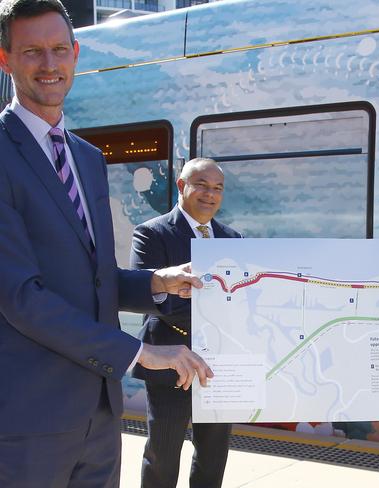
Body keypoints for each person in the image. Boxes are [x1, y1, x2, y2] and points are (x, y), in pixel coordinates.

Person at [0, 0, 213, 486]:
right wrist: (139, 354)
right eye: (32, 51)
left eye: (59, 49)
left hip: (99, 415)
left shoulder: (87, 157)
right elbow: (20, 297)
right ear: (5, 59)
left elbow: (90, 278)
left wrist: (158, 282)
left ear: (76, 54)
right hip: (27, 421)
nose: (49, 65)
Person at [131, 158, 242, 488]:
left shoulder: (233, 239)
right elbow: (150, 298)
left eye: (218, 188)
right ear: (182, 186)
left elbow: (243, 300)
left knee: (214, 453)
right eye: (202, 185)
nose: (210, 195)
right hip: (170, 360)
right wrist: (217, 308)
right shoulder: (152, 233)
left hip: (220, 363)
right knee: (163, 453)